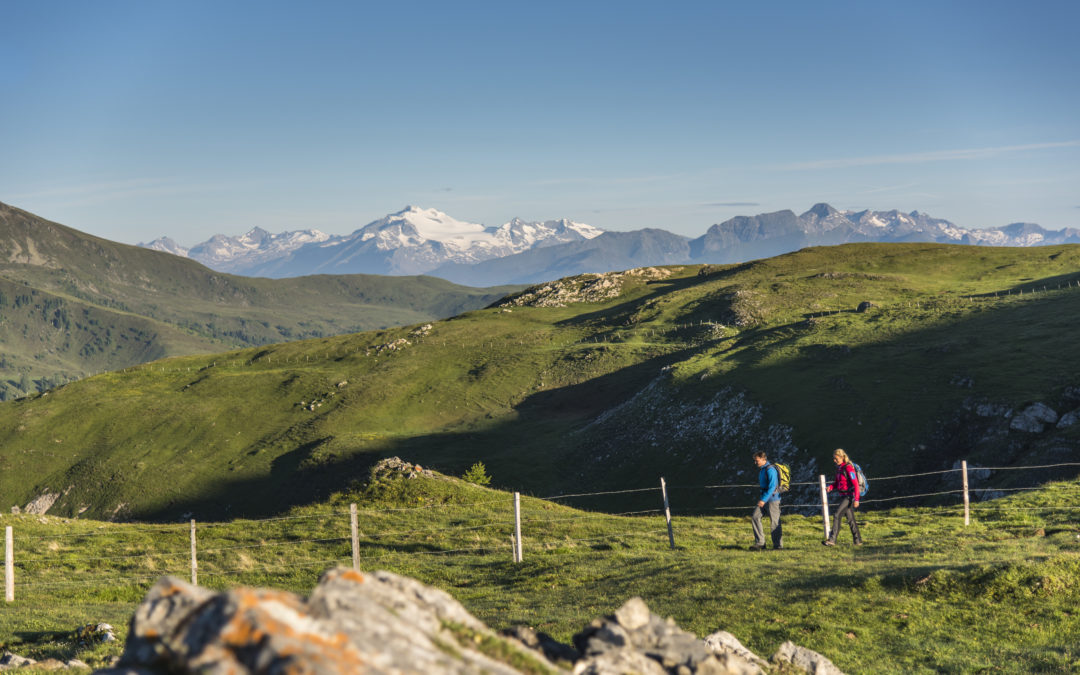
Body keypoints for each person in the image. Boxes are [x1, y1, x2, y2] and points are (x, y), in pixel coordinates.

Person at [824, 448, 862, 546]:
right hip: (843, 496)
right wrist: (831, 487)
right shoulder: (839, 468)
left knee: (837, 514)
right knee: (850, 519)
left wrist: (857, 499)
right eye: (834, 458)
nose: (834, 460)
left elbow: (856, 484)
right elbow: (837, 483)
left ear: (842, 457)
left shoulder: (848, 468)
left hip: (849, 496)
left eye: (836, 459)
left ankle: (832, 540)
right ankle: (858, 541)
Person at [750, 451, 783, 550]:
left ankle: (778, 546)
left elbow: (772, 487)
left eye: (757, 461)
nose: (755, 463)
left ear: (763, 459)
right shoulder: (763, 470)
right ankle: (760, 543)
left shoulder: (770, 470)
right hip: (764, 498)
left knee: (774, 522)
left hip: (772, 500)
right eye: (755, 461)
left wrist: (763, 500)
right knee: (755, 517)